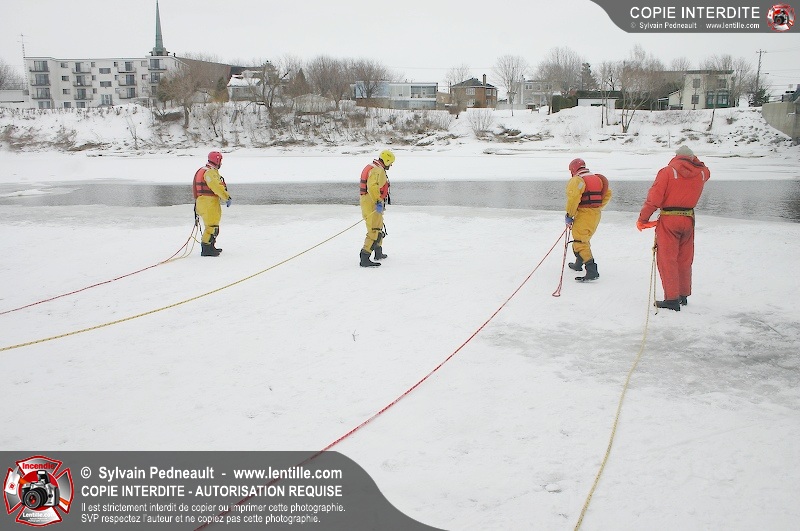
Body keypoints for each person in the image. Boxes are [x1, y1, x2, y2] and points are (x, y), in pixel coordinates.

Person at [637, 145, 710, 311]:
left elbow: (654, 199)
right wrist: (694, 161)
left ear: (677, 156)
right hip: (688, 219)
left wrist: (643, 219)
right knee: (684, 259)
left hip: (669, 220)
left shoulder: (667, 172)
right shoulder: (701, 173)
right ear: (692, 157)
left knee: (667, 259)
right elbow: (706, 170)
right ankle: (683, 295)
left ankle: (672, 299)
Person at [564, 158, 612, 281]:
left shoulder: (577, 180)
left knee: (580, 241)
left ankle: (592, 270)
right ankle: (578, 264)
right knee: (584, 238)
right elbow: (607, 194)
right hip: (595, 214)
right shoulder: (596, 179)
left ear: (573, 169)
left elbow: (573, 199)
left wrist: (569, 215)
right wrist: (596, 208)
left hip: (584, 214)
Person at [358, 149, 394, 267]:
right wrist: (378, 200)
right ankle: (365, 256)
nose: (391, 165)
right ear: (387, 160)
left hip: (370, 201)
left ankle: (378, 252)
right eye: (391, 163)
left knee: (379, 226)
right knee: (374, 230)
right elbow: (372, 186)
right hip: (371, 202)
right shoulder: (378, 170)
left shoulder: (374, 167)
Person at [193, 150, 232, 257]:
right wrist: (226, 197)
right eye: (220, 161)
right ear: (217, 160)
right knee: (211, 226)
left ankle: (211, 246)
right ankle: (206, 249)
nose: (221, 163)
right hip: (208, 203)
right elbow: (216, 186)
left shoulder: (206, 170)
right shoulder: (210, 172)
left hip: (206, 202)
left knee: (213, 225)